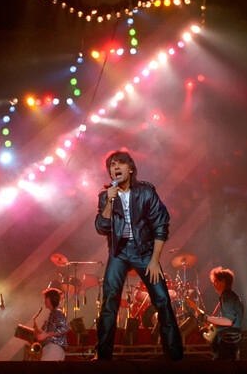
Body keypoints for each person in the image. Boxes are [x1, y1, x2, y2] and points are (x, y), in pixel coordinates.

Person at [94, 150, 183, 360]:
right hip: (118, 252)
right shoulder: (105, 196)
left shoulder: (145, 192)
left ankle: (175, 358)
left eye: (120, 163)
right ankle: (103, 357)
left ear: (131, 169)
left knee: (163, 301)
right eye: (112, 165)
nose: (116, 167)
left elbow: (161, 225)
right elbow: (101, 227)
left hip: (144, 252)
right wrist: (109, 203)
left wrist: (154, 260)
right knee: (109, 303)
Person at [204, 266, 243, 360]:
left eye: (215, 281)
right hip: (232, 339)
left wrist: (206, 318)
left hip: (228, 340)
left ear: (223, 281)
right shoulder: (231, 295)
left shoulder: (227, 296)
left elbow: (228, 321)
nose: (213, 285)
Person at [36, 288, 69, 361]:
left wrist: (47, 334)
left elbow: (65, 328)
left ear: (49, 299)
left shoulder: (57, 312)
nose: (44, 301)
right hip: (53, 349)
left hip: (53, 348)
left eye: (45, 299)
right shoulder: (54, 312)